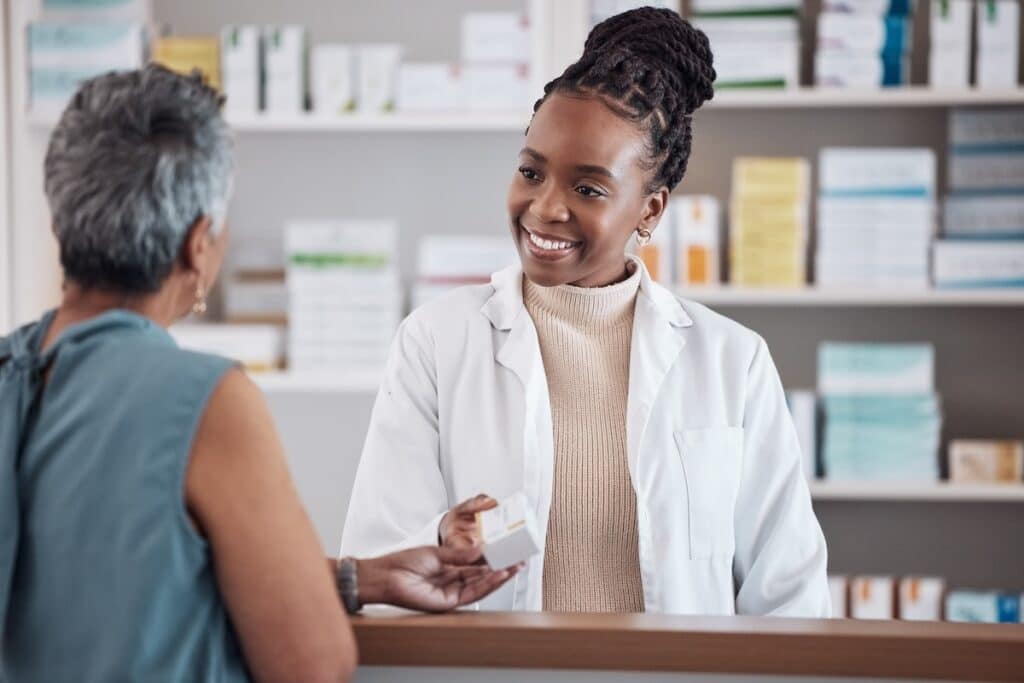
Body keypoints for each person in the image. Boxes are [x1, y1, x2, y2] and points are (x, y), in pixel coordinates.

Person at [0, 65, 516, 683]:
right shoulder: (206, 402)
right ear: (199, 245)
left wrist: (356, 579)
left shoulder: (14, 375)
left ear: (60, 221)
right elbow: (314, 664)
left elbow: (99, 584)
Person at [341, 8, 830, 616]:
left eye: (589, 188)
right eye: (531, 172)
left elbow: (788, 592)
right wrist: (447, 537)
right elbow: (378, 555)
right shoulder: (437, 342)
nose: (545, 208)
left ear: (650, 210)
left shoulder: (732, 359)